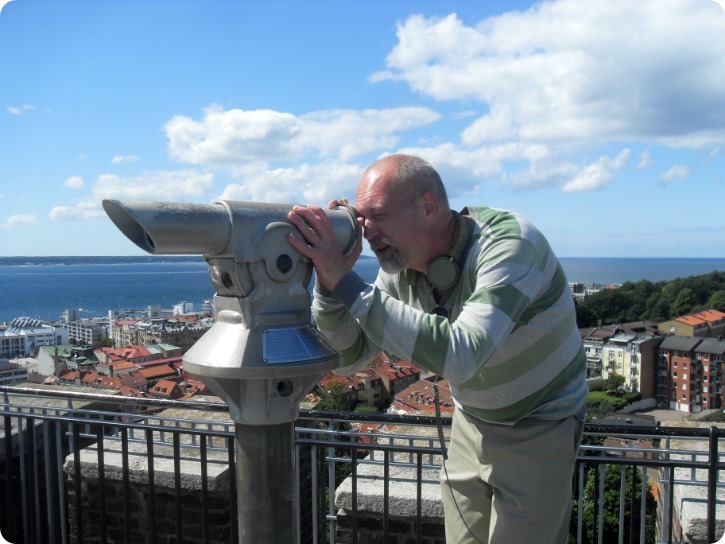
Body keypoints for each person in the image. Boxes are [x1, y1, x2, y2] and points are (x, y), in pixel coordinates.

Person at [287, 154, 587, 544]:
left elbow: (464, 355)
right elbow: (350, 358)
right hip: (472, 420)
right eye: (360, 218)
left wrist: (347, 283)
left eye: (377, 214)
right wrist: (329, 288)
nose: (367, 230)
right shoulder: (402, 270)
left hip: (541, 424)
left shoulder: (510, 244)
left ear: (428, 206)